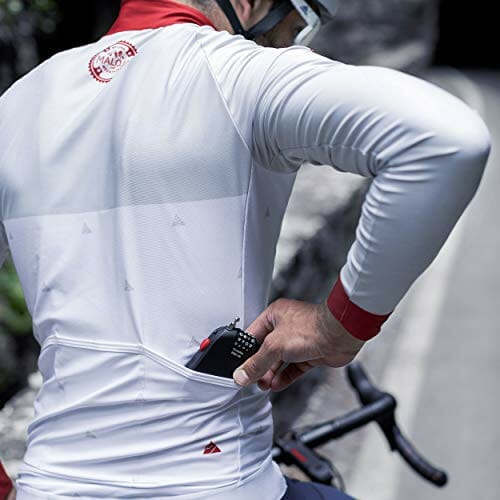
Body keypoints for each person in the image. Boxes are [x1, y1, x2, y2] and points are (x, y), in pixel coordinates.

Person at [0, 0, 491, 498]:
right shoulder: (238, 74)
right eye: (299, 23)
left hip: (50, 483)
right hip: (218, 484)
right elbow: (445, 141)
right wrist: (340, 327)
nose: (287, 43)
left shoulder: (19, 106)